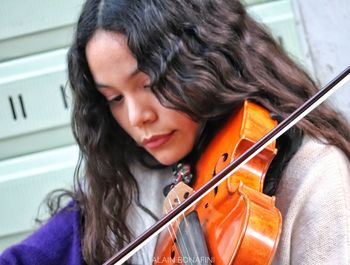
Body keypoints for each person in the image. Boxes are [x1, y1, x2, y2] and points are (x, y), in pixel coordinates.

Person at [1, 0, 349, 264]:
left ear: (205, 62)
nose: (138, 117)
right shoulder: (127, 177)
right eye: (115, 98)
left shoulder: (315, 178)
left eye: (151, 84)